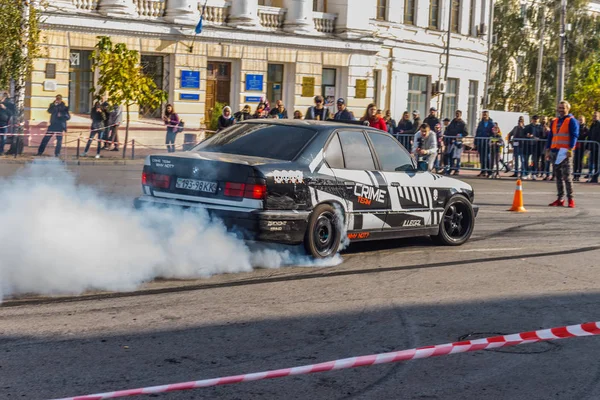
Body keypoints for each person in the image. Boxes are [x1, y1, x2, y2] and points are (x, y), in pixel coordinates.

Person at [546, 100, 579, 208]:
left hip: (565, 152)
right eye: (559, 108)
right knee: (558, 176)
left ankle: (570, 199)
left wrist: (570, 149)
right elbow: (551, 135)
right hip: (555, 151)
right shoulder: (555, 121)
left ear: (567, 109)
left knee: (567, 177)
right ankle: (560, 198)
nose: (560, 110)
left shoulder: (572, 121)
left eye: (563, 108)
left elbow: (574, 135)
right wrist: (548, 149)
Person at [523, 115, 543, 179]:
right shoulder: (527, 127)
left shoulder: (540, 127)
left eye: (536, 121)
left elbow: (543, 136)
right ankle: (527, 173)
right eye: (534, 120)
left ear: (538, 121)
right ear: (532, 120)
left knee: (535, 160)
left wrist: (539, 138)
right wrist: (527, 135)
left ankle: (534, 173)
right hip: (528, 145)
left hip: (536, 146)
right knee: (526, 160)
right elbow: (523, 134)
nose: (535, 122)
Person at [475, 111, 494, 177]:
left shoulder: (491, 124)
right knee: (482, 158)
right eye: (483, 115)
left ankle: (489, 172)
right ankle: (483, 171)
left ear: (488, 115)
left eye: (486, 115)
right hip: (481, 142)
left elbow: (493, 133)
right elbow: (477, 132)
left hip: (487, 143)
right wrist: (475, 142)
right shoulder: (480, 123)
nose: (484, 116)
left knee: (488, 157)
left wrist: (491, 139)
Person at [573, 116, 588, 181]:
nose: (580, 121)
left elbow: (585, 135)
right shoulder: (576, 126)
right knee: (575, 161)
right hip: (575, 145)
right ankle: (574, 174)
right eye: (579, 120)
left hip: (582, 145)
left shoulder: (585, 128)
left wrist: (579, 136)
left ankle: (578, 175)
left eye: (582, 120)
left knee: (580, 161)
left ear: (584, 121)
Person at [587, 111, 600, 183]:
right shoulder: (592, 125)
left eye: (596, 116)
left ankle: (595, 177)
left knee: (597, 162)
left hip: (597, 146)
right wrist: (588, 146)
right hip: (592, 146)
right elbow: (589, 135)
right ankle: (592, 176)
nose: (594, 117)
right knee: (592, 162)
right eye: (593, 116)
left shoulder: (599, 124)